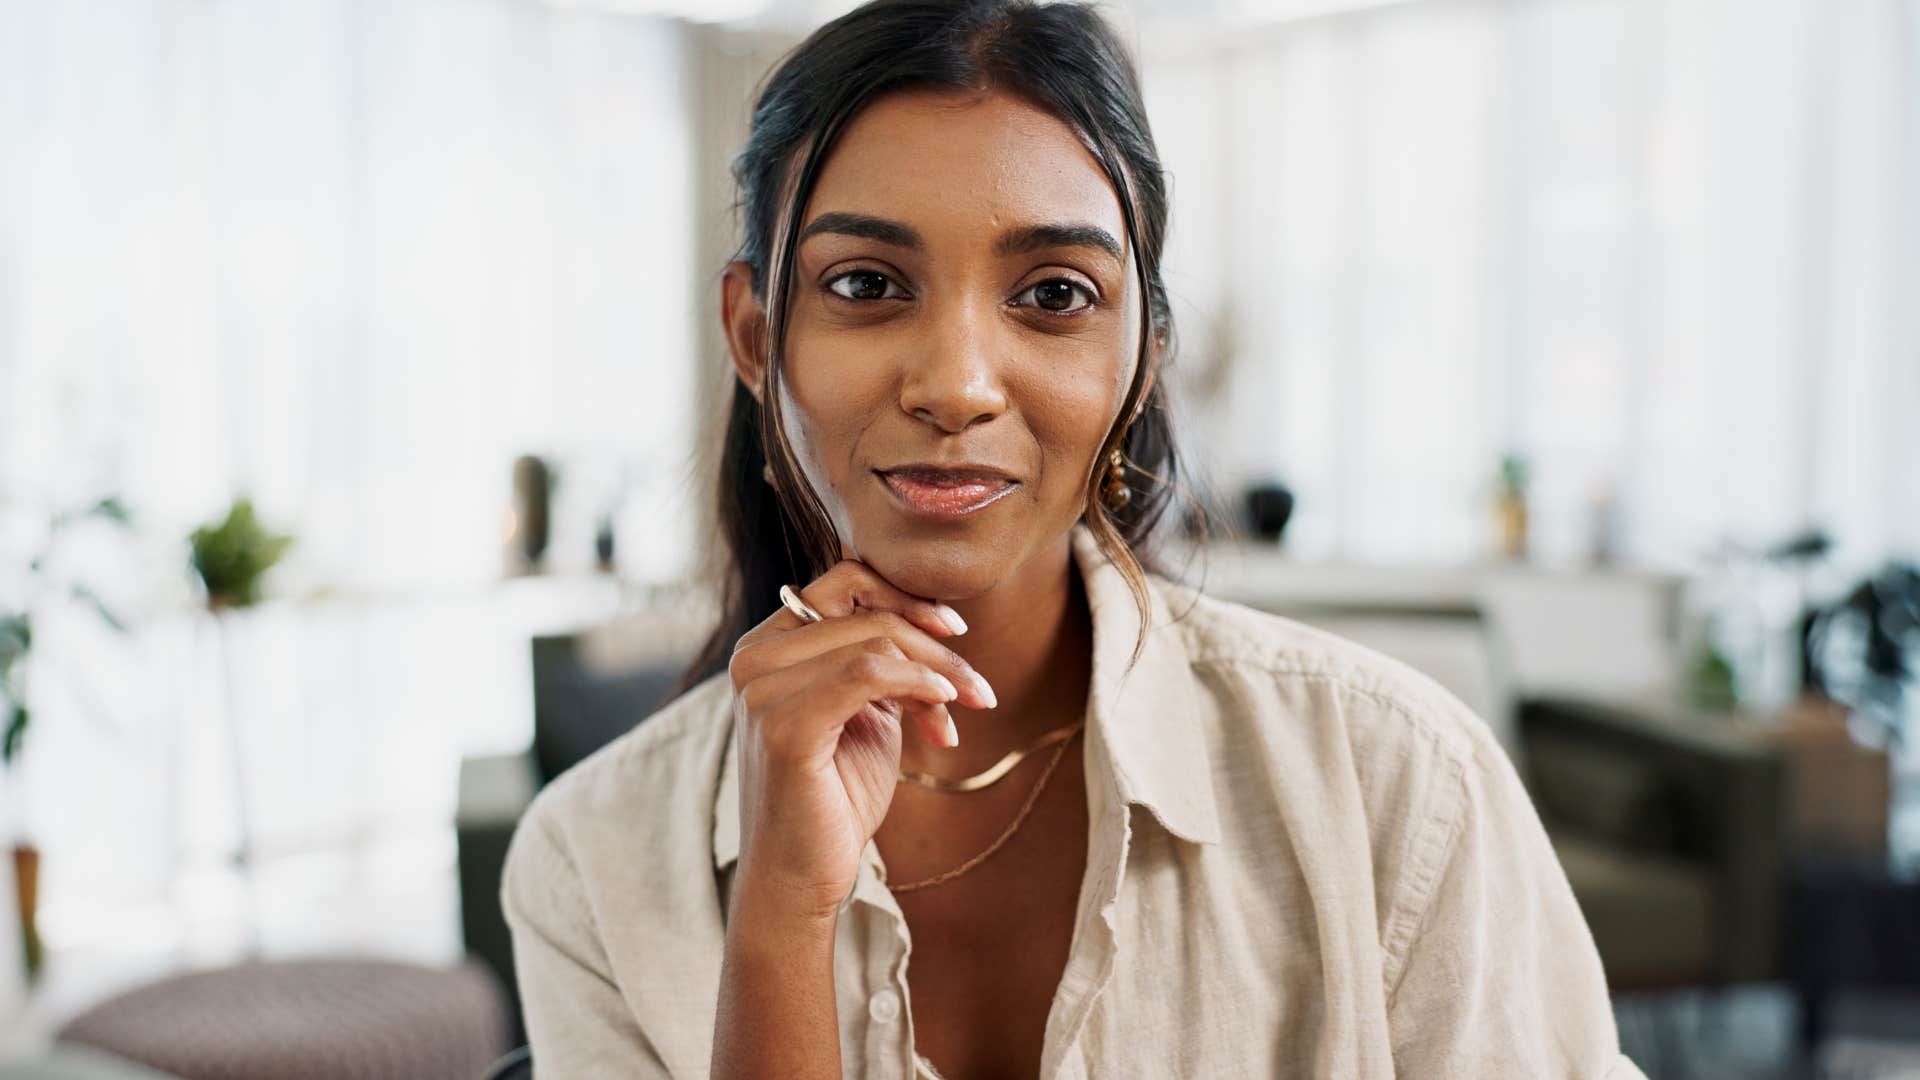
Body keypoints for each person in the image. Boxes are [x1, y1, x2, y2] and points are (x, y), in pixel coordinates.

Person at [500, 1, 1646, 1077]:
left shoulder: (1397, 785)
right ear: (755, 339)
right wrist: (781, 919)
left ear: (1143, 352)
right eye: (864, 282)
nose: (955, 386)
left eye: (1052, 295)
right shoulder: (594, 859)